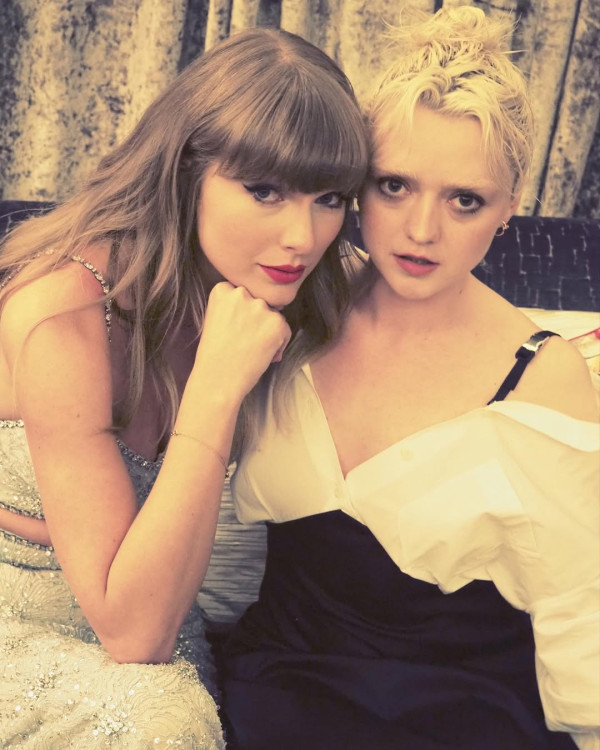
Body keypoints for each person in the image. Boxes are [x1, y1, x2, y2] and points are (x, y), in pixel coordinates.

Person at [220, 7, 600, 750]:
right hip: (274, 690)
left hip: (462, 715)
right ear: (357, 184)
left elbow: (580, 609)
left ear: (510, 207)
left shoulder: (541, 375)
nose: (422, 230)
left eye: (465, 200)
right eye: (394, 185)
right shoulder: (297, 296)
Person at [0, 27, 368, 748]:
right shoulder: (64, 316)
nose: (302, 236)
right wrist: (216, 389)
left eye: (329, 198)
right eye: (263, 191)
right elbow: (133, 633)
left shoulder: (283, 283)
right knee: (159, 722)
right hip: (25, 621)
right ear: (186, 172)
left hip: (158, 610)